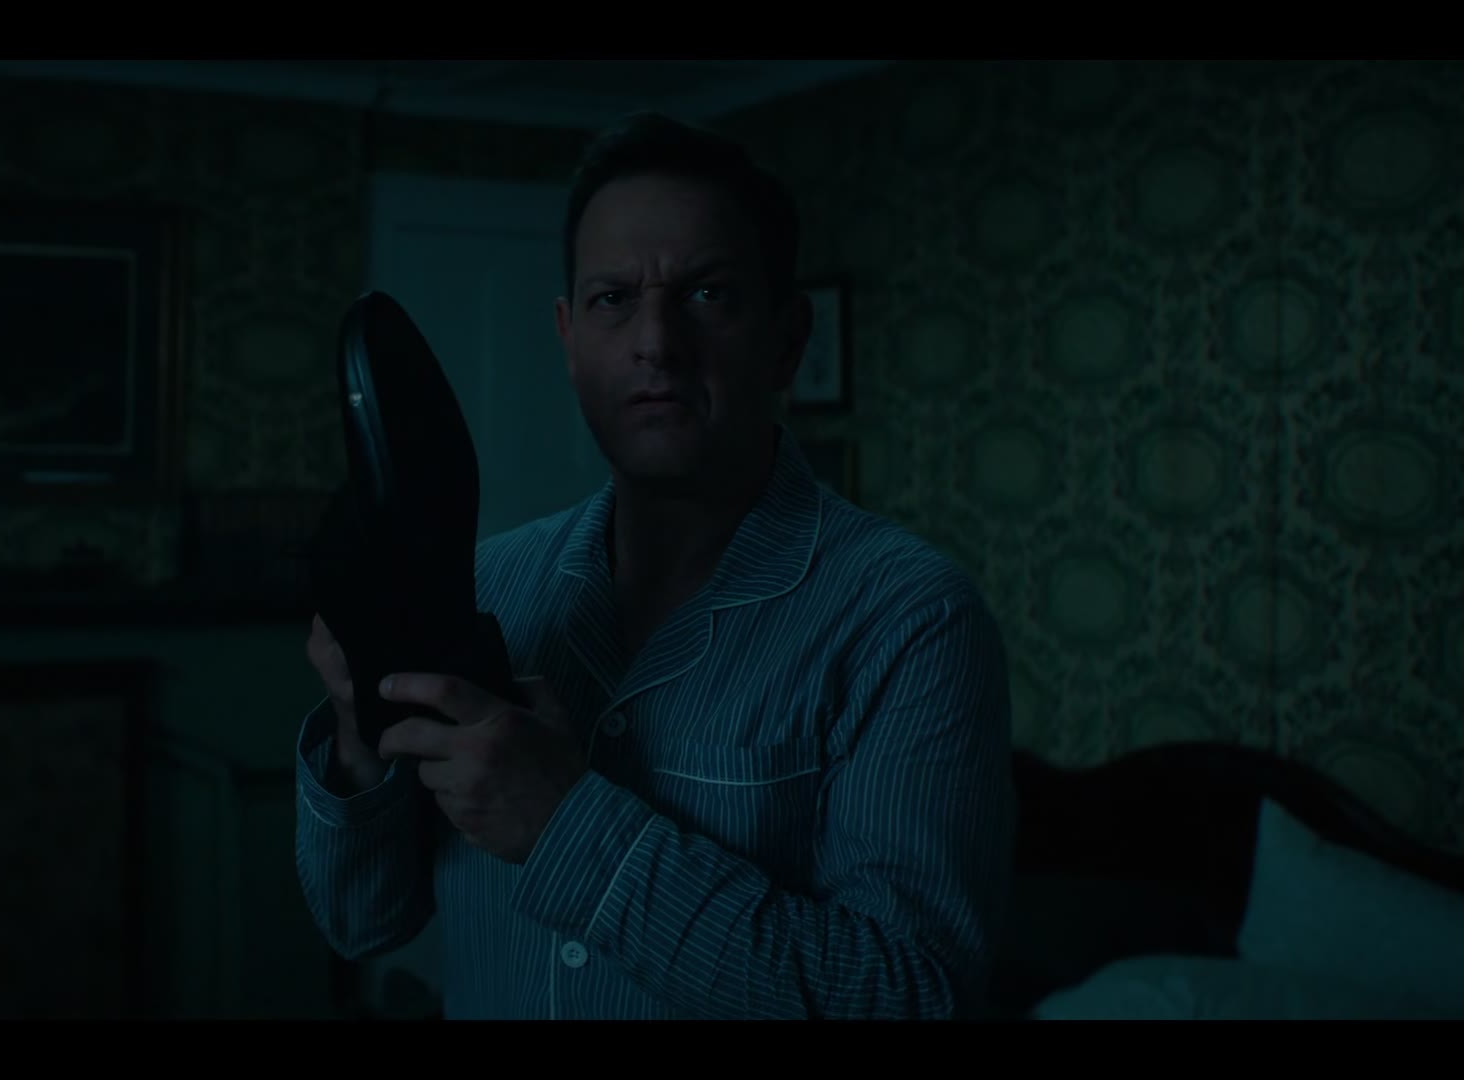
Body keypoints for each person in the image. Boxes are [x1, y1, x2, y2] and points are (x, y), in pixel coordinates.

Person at [292, 111, 1017, 1020]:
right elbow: (360, 921)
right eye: (612, 299)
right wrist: (361, 745)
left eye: (707, 294)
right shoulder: (488, 586)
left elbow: (913, 996)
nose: (656, 344)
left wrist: (566, 826)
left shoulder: (910, 621)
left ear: (788, 339)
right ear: (567, 338)